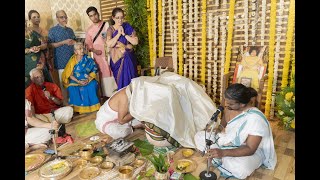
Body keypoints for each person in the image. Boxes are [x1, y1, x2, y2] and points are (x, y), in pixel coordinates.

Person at [95, 72, 217, 147]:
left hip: (127, 116)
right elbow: (121, 120)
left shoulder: (137, 88)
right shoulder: (124, 97)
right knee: (121, 132)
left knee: (149, 116)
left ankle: (135, 126)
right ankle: (133, 128)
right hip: (109, 121)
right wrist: (139, 113)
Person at [194, 83, 277, 179]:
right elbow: (223, 122)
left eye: (230, 103)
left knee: (241, 168)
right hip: (228, 140)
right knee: (199, 136)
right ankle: (220, 158)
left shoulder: (256, 119)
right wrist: (219, 129)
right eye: (226, 101)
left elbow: (250, 149)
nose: (226, 105)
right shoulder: (230, 108)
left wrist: (223, 153)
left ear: (242, 104)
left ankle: (219, 157)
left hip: (248, 149)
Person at [25, 68, 74, 138]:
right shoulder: (28, 91)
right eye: (37, 77)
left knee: (69, 110)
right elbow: (31, 114)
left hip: (54, 113)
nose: (40, 79)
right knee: (36, 119)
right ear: (32, 79)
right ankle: (51, 124)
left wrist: (51, 97)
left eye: (42, 76)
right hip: (41, 116)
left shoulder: (52, 86)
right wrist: (40, 119)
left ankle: (52, 124)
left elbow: (60, 103)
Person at [85, 6, 117, 98]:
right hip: (98, 56)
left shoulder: (107, 25)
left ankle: (116, 92)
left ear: (98, 14)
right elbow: (88, 45)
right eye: (91, 16)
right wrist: (95, 51)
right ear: (89, 17)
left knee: (113, 70)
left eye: (95, 14)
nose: (94, 17)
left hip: (110, 53)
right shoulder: (89, 30)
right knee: (104, 73)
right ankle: (107, 95)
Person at [62, 42, 101, 114]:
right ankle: (78, 109)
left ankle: (92, 107)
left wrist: (88, 79)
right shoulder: (72, 61)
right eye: (79, 49)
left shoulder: (88, 59)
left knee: (92, 85)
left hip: (88, 78)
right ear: (75, 51)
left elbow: (95, 69)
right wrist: (78, 81)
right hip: (76, 80)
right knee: (72, 88)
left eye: (82, 48)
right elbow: (70, 75)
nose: (82, 50)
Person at [48, 10, 76, 105]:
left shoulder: (70, 30)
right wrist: (63, 42)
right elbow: (50, 45)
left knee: (73, 84)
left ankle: (76, 103)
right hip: (61, 62)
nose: (64, 19)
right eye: (61, 17)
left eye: (65, 17)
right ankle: (66, 104)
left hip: (73, 61)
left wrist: (73, 42)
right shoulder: (52, 31)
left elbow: (75, 42)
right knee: (63, 84)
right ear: (57, 19)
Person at [106, 7, 138, 90]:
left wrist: (124, 35)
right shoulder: (111, 29)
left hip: (128, 58)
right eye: (117, 18)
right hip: (116, 60)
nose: (120, 20)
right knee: (121, 84)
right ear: (113, 18)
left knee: (131, 83)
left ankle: (132, 100)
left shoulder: (127, 27)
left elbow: (135, 42)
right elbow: (109, 44)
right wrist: (118, 34)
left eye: (121, 17)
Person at [25, 18, 52, 88]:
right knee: (31, 86)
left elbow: (45, 44)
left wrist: (39, 47)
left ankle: (49, 98)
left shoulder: (33, 32)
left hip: (40, 62)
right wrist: (30, 50)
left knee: (46, 83)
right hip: (27, 65)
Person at [28, 10, 53, 82]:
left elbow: (48, 45)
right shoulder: (29, 32)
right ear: (30, 19)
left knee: (48, 81)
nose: (37, 18)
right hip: (34, 59)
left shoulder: (45, 31)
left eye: (38, 17)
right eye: (34, 17)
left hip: (46, 58)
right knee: (38, 80)